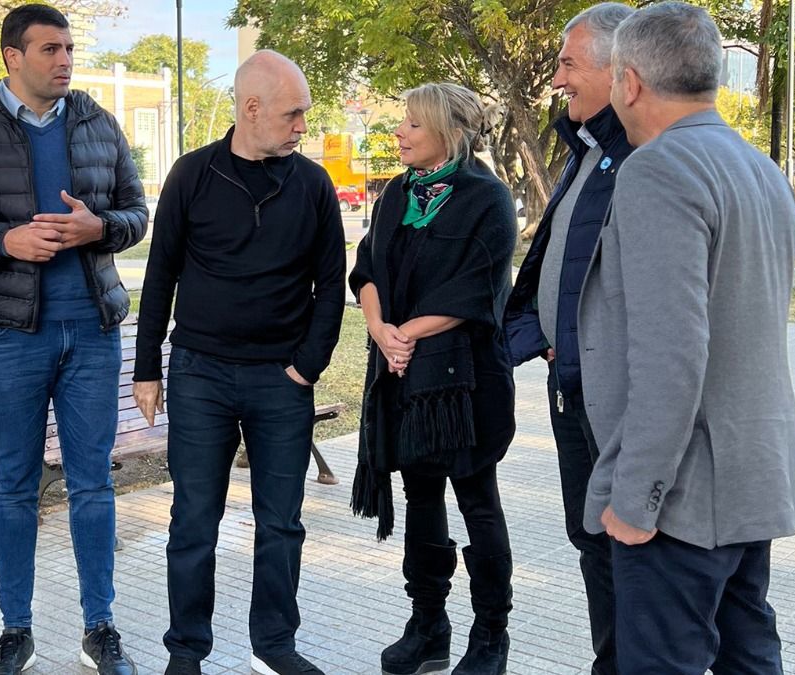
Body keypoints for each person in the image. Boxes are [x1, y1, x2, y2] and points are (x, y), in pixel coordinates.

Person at [579, 3, 795, 672]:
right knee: (749, 655)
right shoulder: (762, 170)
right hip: (752, 479)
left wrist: (637, 498)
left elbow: (671, 356)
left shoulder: (657, 170)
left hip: (682, 497)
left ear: (629, 83)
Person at [0, 4, 147, 674]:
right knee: (14, 485)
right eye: (50, 49)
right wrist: (4, 241)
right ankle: (14, 629)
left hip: (93, 332)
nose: (65, 60)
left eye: (70, 48)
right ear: (11, 57)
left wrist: (98, 228)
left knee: (93, 485)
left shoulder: (98, 122)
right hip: (10, 334)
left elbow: (138, 213)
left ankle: (98, 626)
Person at [132, 50, 346, 675]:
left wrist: (308, 366)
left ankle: (274, 646)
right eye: (293, 114)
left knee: (281, 523)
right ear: (251, 109)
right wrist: (149, 368)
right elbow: (161, 273)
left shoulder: (311, 184)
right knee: (194, 520)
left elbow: (330, 283)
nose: (303, 126)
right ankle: (186, 651)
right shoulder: (192, 174)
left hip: (281, 379)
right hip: (200, 375)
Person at [350, 83, 518, 675]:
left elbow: (478, 288)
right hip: (399, 374)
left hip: (464, 385)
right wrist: (380, 329)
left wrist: (405, 334)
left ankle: (490, 635)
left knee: (477, 501)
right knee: (420, 496)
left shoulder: (488, 198)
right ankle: (428, 626)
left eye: (412, 125)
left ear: (447, 132)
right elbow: (366, 267)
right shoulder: (396, 193)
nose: (399, 132)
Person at [501, 4, 634, 672]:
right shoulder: (588, 152)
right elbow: (552, 270)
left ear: (620, 70)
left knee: (623, 551)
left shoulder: (643, 158)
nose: (556, 79)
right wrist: (539, 337)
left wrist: (573, 349)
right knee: (591, 543)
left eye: (568, 64)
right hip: (571, 388)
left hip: (613, 400)